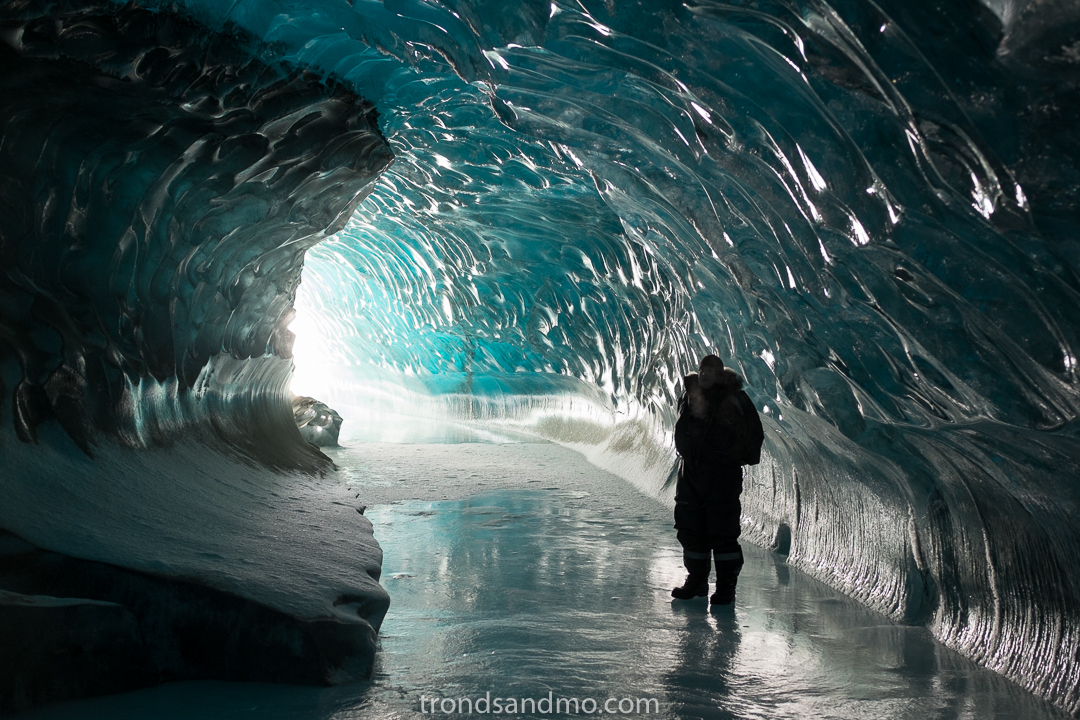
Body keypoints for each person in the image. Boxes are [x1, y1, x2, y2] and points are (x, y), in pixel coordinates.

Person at [671, 355, 748, 605]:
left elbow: (747, 439)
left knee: (722, 530)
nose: (704, 374)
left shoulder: (731, 400)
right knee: (691, 528)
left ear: (719, 374)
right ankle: (697, 581)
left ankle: (726, 587)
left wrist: (725, 460)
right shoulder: (690, 395)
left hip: (721, 476)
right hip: (691, 474)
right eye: (702, 369)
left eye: (710, 371)